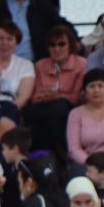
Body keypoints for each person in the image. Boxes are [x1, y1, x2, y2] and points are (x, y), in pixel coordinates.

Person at [23, 27, 85, 160]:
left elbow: (77, 98)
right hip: (44, 108)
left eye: (61, 44)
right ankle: (52, 157)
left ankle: (45, 156)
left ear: (70, 46)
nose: (56, 49)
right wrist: (44, 96)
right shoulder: (40, 65)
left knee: (58, 111)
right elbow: (35, 96)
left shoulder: (82, 64)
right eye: (52, 45)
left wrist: (58, 96)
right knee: (32, 113)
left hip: (69, 108)